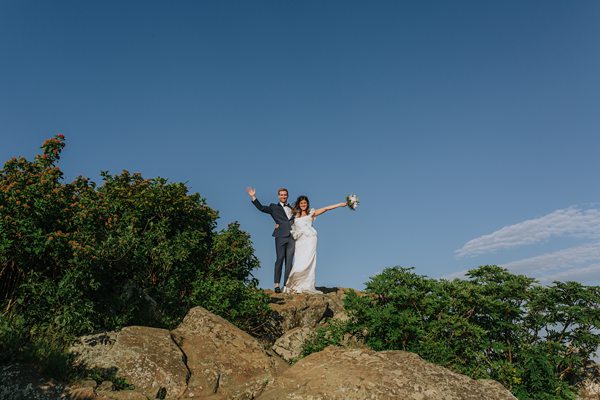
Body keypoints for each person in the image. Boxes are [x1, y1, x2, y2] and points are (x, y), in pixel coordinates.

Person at [284, 195, 346, 294]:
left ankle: (306, 285)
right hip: (300, 241)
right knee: (299, 262)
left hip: (310, 240)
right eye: (301, 203)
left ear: (307, 204)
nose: (303, 204)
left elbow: (326, 209)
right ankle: (295, 285)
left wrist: (340, 204)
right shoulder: (295, 215)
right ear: (299, 205)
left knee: (308, 261)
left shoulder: (311, 213)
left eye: (305, 203)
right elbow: (283, 218)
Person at [246, 186, 294, 293]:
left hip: (292, 236)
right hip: (280, 235)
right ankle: (276, 285)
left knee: (289, 262)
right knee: (280, 259)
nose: (283, 196)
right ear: (278, 196)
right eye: (281, 195)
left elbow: (298, 219)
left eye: (285, 195)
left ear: (287, 196)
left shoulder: (292, 208)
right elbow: (262, 208)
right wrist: (253, 196)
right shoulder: (273, 207)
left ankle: (287, 285)